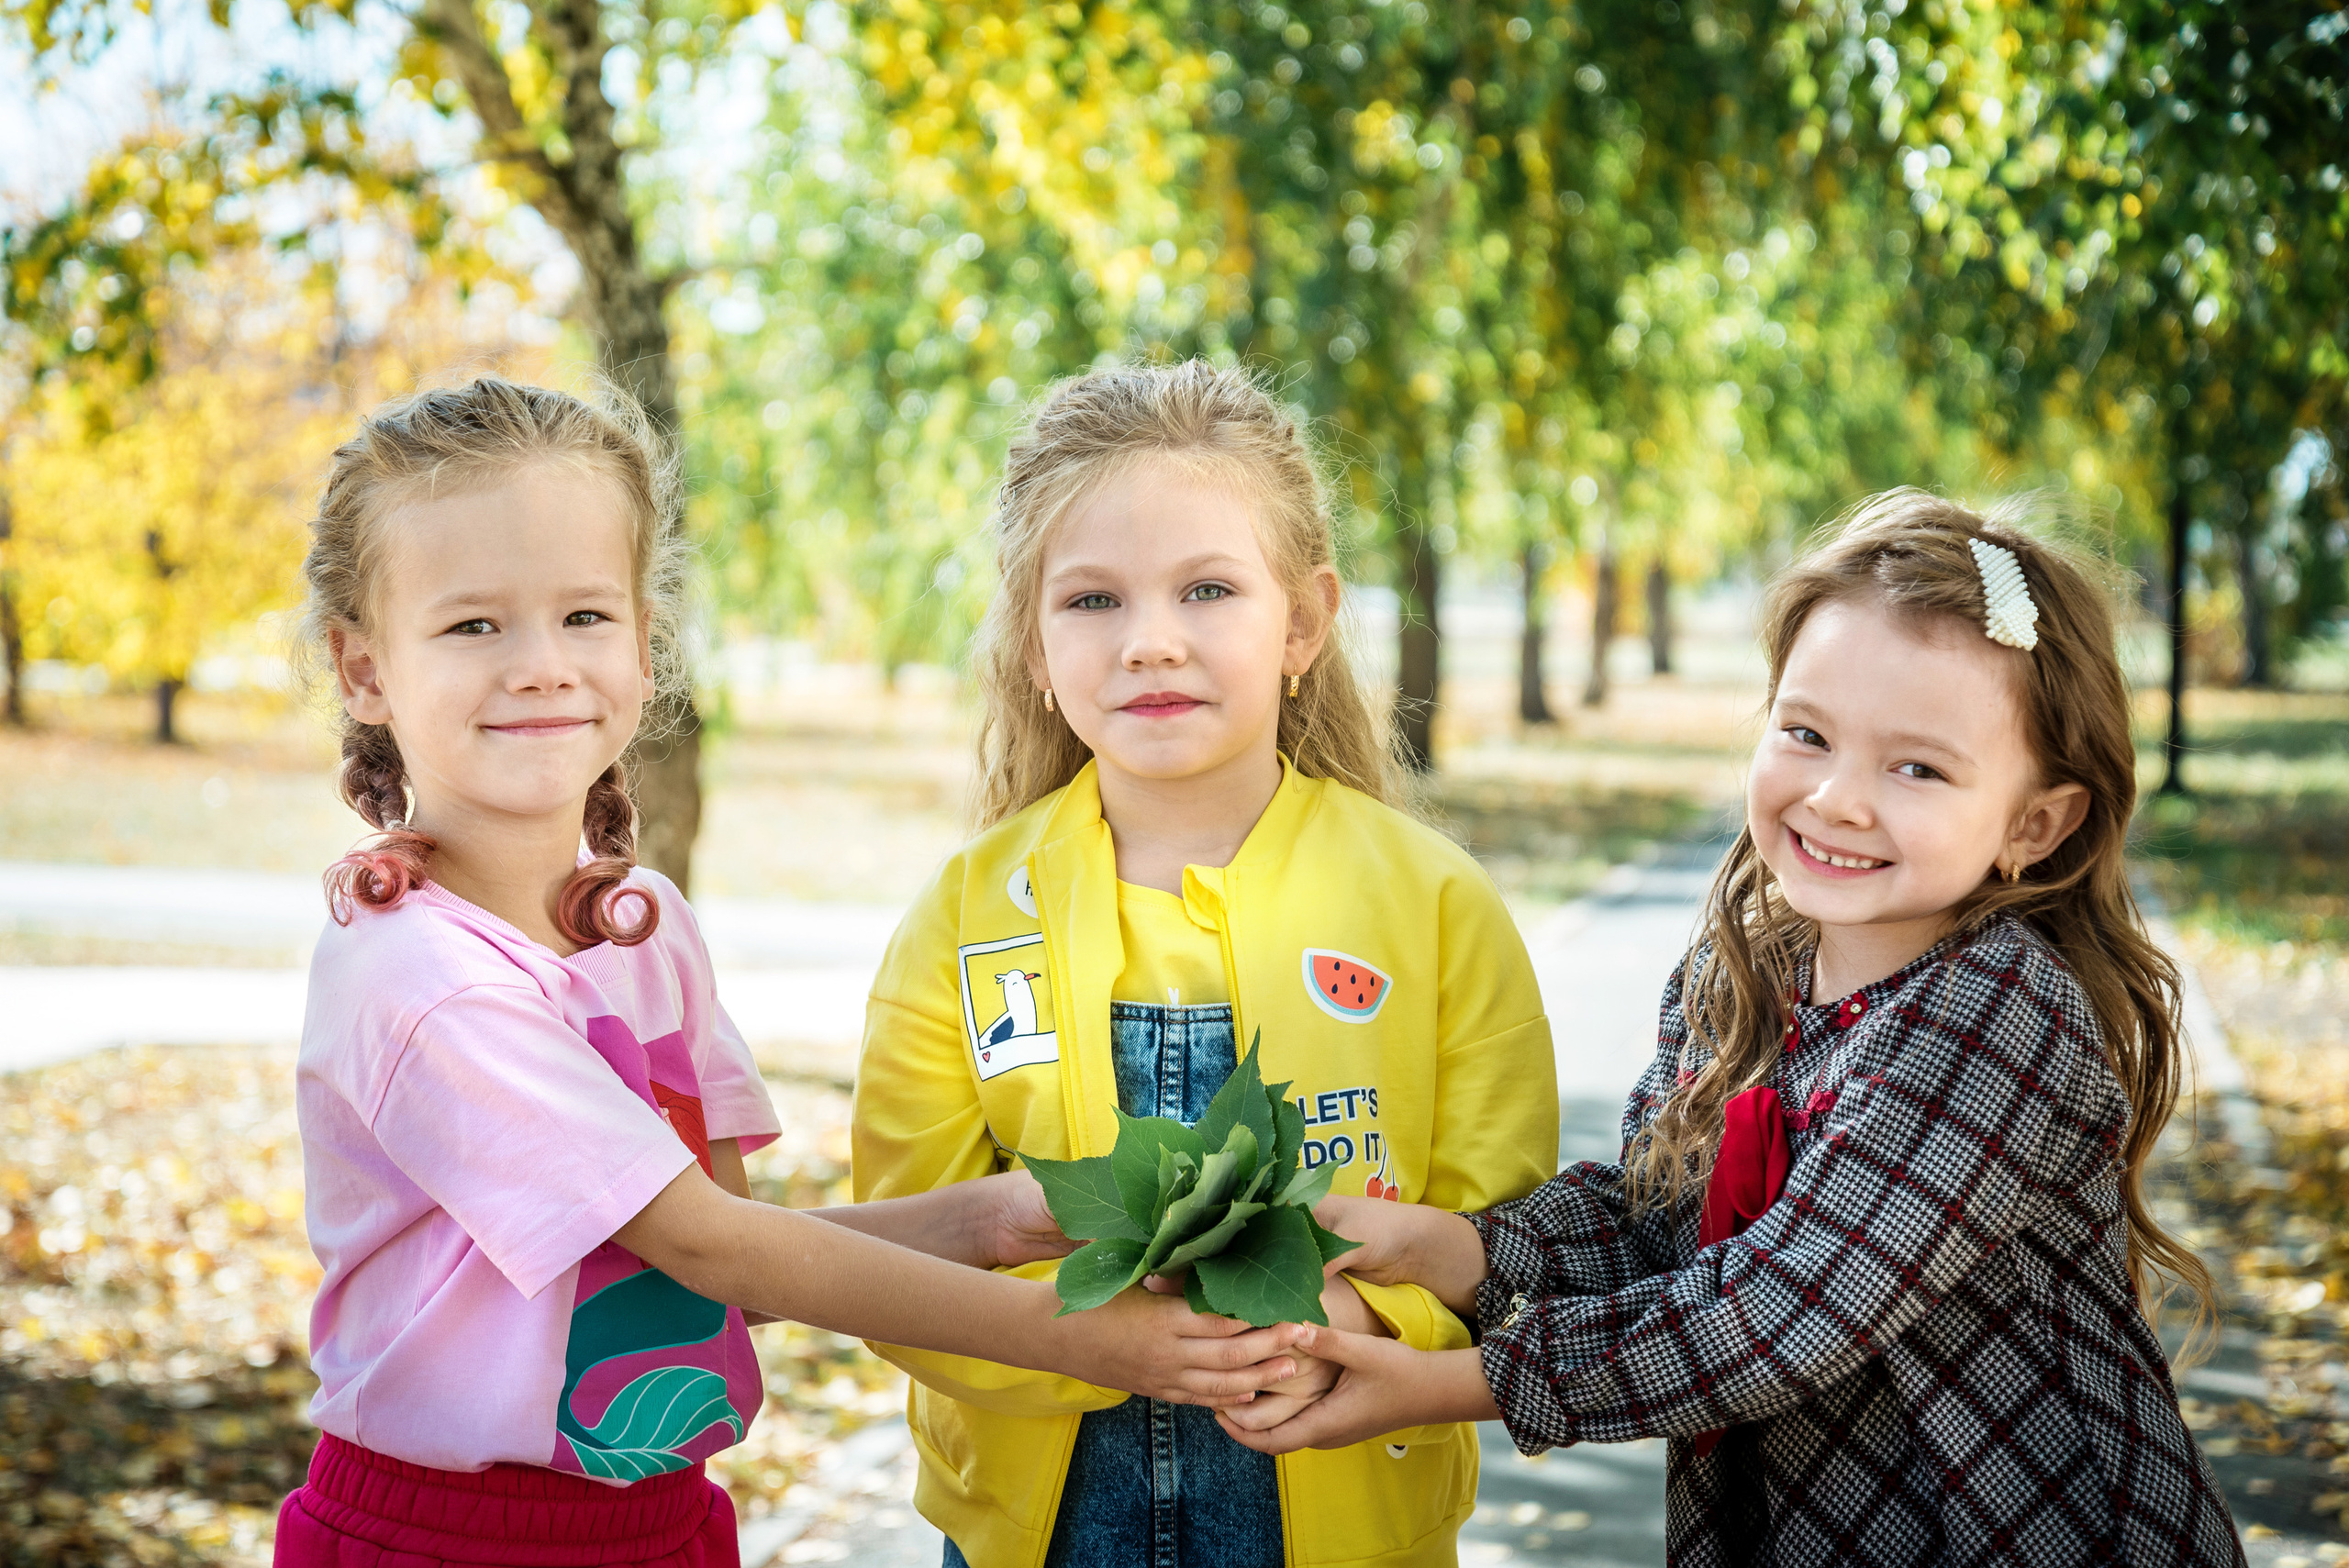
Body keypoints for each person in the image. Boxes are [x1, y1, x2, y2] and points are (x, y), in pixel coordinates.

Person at [277, 376, 1311, 1568]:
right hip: (446, 1537)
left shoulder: (642, 930)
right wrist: (1085, 1339)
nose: (541, 667)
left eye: (583, 616)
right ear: (361, 668)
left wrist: (998, 1215)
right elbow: (713, 1249)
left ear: (646, 642)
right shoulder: (424, 978)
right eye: (473, 625)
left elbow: (718, 1272)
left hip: (666, 1523)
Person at [1223, 492, 2247, 1567]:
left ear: (2035, 824)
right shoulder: (1738, 976)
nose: (1838, 798)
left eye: (1918, 767)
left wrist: (1452, 1383)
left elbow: (1786, 1305)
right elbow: (1658, 1224)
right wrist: (1465, 1248)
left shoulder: (1996, 1007)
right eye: (1806, 733)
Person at [851, 360, 1558, 1568]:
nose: (1151, 642)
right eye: (1093, 602)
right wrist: (1074, 1333)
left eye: (1208, 589)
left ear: (1304, 621)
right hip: (1041, 1527)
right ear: (1032, 640)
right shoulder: (967, 917)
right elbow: (893, 1250)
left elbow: (1507, 1231)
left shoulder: (1435, 905)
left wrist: (1352, 1314)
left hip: (1339, 1516)